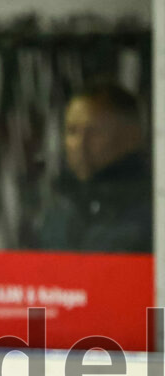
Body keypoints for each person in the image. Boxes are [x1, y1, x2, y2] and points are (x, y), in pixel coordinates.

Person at [36, 80, 151, 253]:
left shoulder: (151, 208)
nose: (81, 144)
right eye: (72, 131)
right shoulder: (58, 207)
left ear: (130, 137)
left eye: (96, 132)